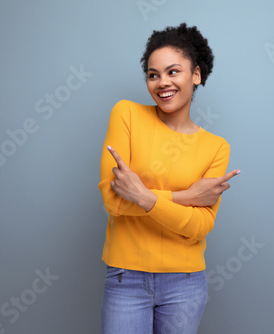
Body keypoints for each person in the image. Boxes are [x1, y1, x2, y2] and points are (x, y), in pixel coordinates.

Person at [98, 22, 240, 334]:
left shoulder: (216, 147)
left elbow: (199, 226)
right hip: (127, 276)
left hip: (185, 283)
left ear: (196, 75)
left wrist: (143, 196)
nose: (162, 82)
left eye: (173, 71)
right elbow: (113, 199)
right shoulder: (127, 115)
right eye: (153, 74)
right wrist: (186, 197)